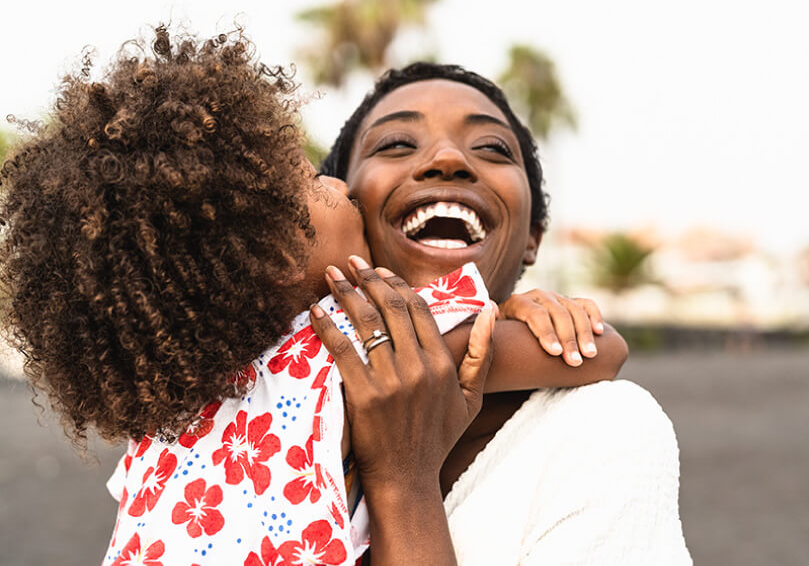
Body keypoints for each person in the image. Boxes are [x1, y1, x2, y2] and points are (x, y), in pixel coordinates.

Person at [0, 29, 626, 565]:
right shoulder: (347, 344)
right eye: (307, 182)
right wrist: (515, 309)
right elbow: (594, 351)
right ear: (273, 255)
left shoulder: (164, 438)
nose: (331, 181)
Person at [320, 62, 692, 564]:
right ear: (342, 202)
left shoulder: (599, 431)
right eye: (395, 145)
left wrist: (402, 483)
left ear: (534, 236)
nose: (447, 159)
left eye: (492, 149)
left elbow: (603, 349)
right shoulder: (242, 388)